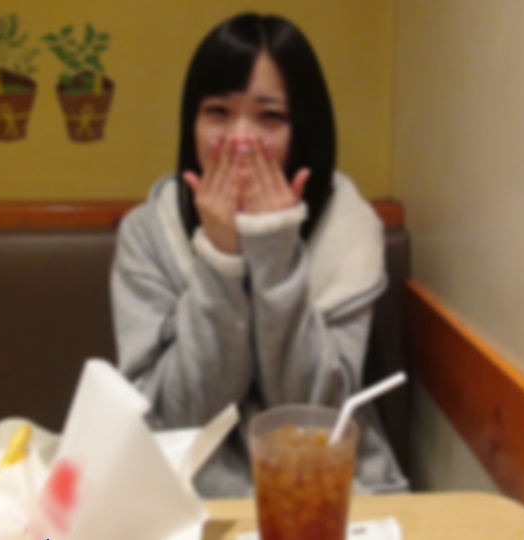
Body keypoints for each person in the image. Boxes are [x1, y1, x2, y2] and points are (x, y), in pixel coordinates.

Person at [110, 12, 407, 497]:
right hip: (191, 495)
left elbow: (318, 418)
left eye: (270, 116)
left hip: (329, 488)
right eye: (218, 112)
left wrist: (274, 251)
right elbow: (178, 418)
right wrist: (220, 257)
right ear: (192, 124)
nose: (241, 140)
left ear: (305, 128)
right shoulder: (148, 234)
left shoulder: (348, 229)